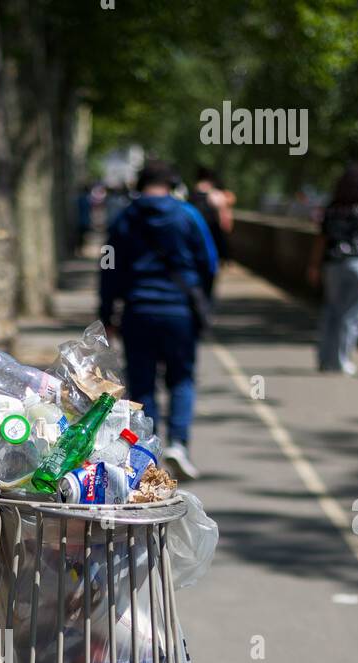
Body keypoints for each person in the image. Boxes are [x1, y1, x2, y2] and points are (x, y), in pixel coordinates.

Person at [100, 159, 217, 480]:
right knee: (181, 378)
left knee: (142, 383)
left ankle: (147, 453)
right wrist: (203, 302)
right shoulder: (188, 215)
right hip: (179, 312)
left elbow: (108, 267)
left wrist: (106, 313)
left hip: (138, 311)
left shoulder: (124, 218)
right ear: (172, 183)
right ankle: (178, 443)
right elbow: (209, 263)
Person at [308, 164, 358, 374]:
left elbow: (321, 239)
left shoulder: (333, 206)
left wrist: (314, 266)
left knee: (331, 311)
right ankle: (342, 360)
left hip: (334, 263)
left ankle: (325, 359)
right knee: (353, 315)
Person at [189, 166, 234, 274]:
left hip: (197, 226)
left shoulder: (193, 191)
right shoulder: (214, 192)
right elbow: (223, 210)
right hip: (212, 227)